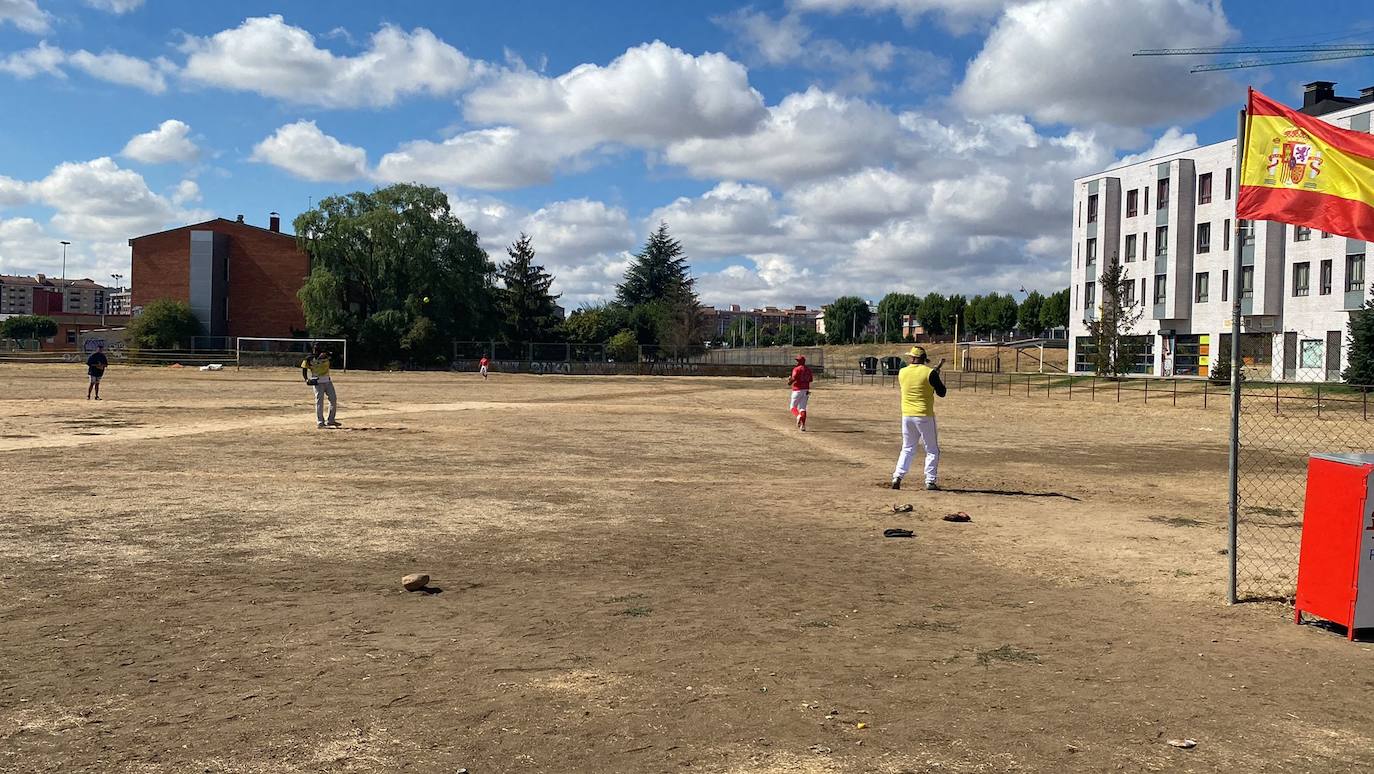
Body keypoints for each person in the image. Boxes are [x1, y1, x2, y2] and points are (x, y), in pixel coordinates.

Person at [891, 346, 947, 491]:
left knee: (907, 448)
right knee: (932, 449)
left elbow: (916, 384)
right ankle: (930, 480)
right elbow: (942, 392)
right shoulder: (929, 373)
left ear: (913, 358)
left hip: (907, 415)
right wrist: (935, 378)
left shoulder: (902, 372)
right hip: (924, 415)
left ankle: (897, 476)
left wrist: (933, 378)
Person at [300, 344, 340, 428]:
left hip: (327, 381)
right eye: (315, 349)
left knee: (333, 399)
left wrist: (327, 353)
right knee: (319, 401)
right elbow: (304, 369)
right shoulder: (309, 358)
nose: (316, 351)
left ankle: (331, 420)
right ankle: (320, 422)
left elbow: (337, 355)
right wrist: (306, 379)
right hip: (317, 382)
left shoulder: (326, 356)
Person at [787, 354, 814, 431]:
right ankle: (803, 426)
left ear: (799, 362)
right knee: (803, 408)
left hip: (797, 390)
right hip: (806, 390)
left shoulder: (796, 369)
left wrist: (789, 381)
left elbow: (794, 378)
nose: (796, 362)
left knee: (792, 407)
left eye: (797, 361)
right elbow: (811, 379)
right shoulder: (808, 369)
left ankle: (798, 416)